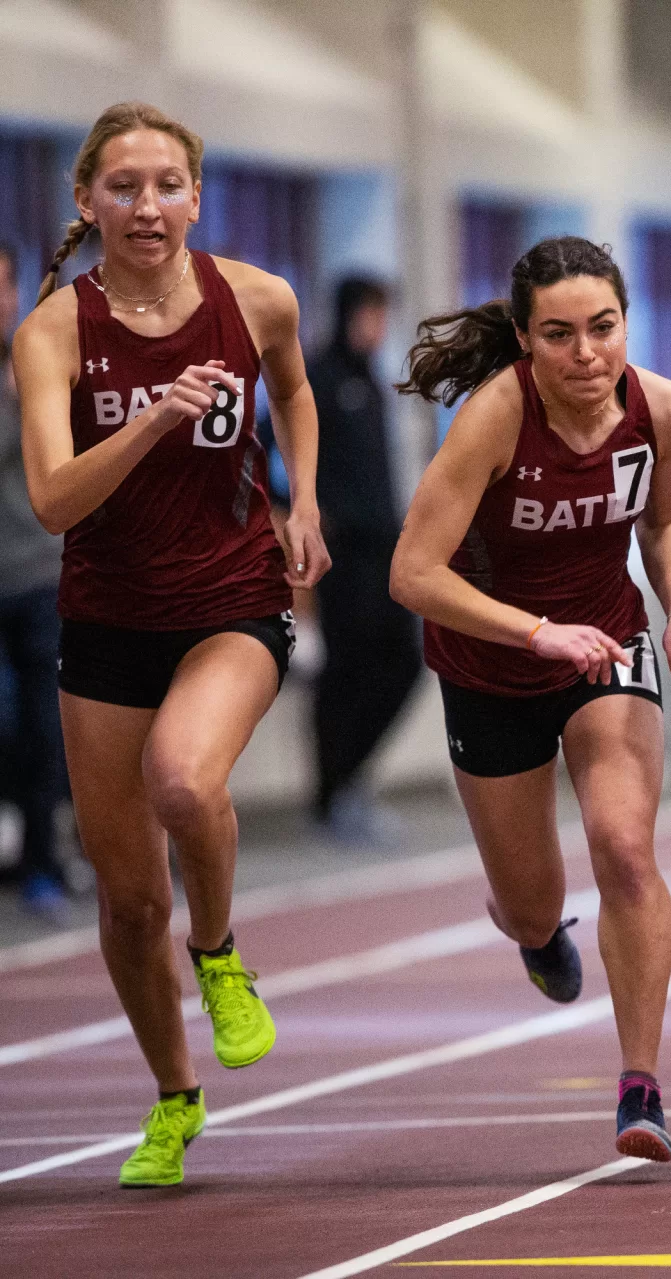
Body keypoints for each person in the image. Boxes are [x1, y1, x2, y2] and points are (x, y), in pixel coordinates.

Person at [11, 101, 331, 1186]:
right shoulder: (54, 329)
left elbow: (292, 392)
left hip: (231, 600)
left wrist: (306, 502)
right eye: (123, 188)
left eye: (167, 186)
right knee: (127, 897)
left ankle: (221, 951)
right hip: (105, 619)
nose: (147, 208)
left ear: (198, 195)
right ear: (85, 201)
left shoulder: (258, 299)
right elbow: (54, 501)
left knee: (185, 783)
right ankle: (173, 1096)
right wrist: (149, 418)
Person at [391, 236, 671, 1162]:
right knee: (532, 901)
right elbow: (411, 573)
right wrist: (534, 631)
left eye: (603, 328)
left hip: (607, 642)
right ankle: (531, 929)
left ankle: (640, 1085)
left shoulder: (662, 409)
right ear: (526, 341)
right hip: (491, 663)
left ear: (626, 323)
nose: (586, 354)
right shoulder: (495, 419)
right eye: (560, 335)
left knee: (623, 843)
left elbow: (664, 516)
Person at [308, 275, 421, 842]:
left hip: (385, 551)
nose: (379, 328)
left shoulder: (373, 384)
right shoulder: (317, 377)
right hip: (341, 555)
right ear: (350, 313)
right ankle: (332, 796)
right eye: (372, 315)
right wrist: (301, 508)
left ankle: (349, 777)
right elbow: (265, 441)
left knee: (405, 662)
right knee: (344, 671)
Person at [0, 241, 72, 920]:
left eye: (3, 288)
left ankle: (46, 863)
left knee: (46, 729)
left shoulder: (38, 360)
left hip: (37, 578)